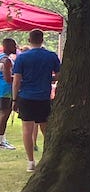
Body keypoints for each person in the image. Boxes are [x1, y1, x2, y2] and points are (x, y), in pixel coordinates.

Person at [12, 29, 61, 173]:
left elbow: (16, 81)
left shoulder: (22, 58)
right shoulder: (51, 56)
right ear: (43, 40)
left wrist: (15, 99)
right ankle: (48, 157)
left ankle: (30, 162)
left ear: (29, 40)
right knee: (45, 128)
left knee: (27, 130)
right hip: (44, 97)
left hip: (26, 96)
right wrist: (48, 79)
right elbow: (59, 75)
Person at [0, 36, 17, 150]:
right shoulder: (7, 60)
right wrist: (19, 78)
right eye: (14, 45)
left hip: (2, 90)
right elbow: (8, 78)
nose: (16, 47)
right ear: (7, 46)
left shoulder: (1, 57)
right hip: (6, 91)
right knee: (4, 115)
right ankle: (1, 141)